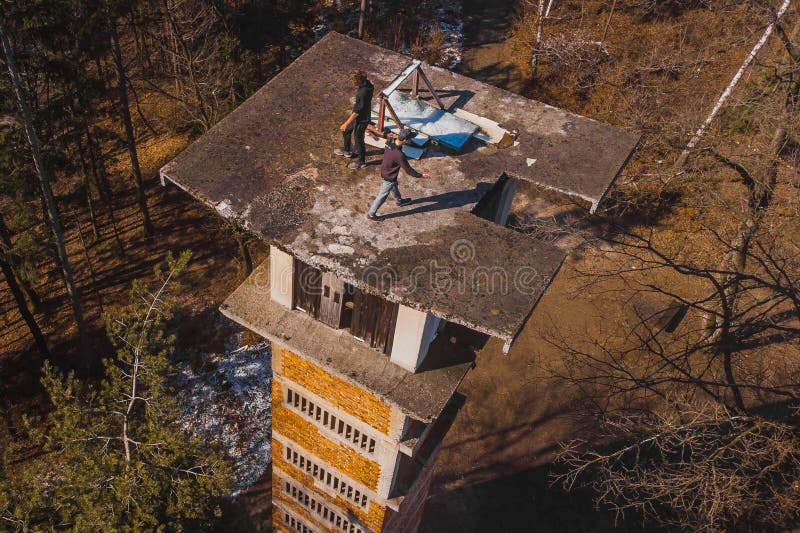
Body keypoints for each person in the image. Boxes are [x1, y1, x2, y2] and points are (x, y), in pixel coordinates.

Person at [367, 128, 431, 221]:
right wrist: (420, 175)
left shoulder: (390, 141)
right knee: (382, 195)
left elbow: (391, 137)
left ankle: (399, 201)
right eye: (409, 139)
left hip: (385, 170)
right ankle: (371, 214)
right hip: (389, 175)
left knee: (394, 185)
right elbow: (408, 170)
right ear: (405, 140)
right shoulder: (399, 155)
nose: (410, 140)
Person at [335, 69, 373, 170]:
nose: (351, 82)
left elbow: (357, 112)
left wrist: (346, 123)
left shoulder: (362, 93)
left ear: (358, 80)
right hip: (359, 115)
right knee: (347, 131)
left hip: (362, 119)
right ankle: (347, 150)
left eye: (353, 80)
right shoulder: (368, 84)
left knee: (358, 140)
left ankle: (361, 161)